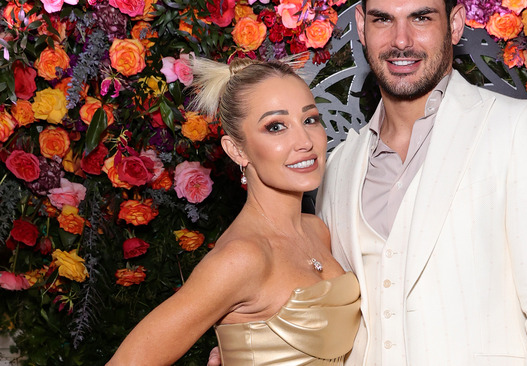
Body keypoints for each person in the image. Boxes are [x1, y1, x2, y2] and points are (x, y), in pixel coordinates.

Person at [315, 0, 527, 365]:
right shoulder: (338, 168)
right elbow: (334, 321)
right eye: (383, 20)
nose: (400, 40)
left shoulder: (517, 129)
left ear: (455, 24)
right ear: (363, 29)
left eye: (421, 18)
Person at [109, 58, 360, 365]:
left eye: (310, 120)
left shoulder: (317, 230)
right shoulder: (241, 258)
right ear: (236, 150)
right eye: (276, 127)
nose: (305, 141)